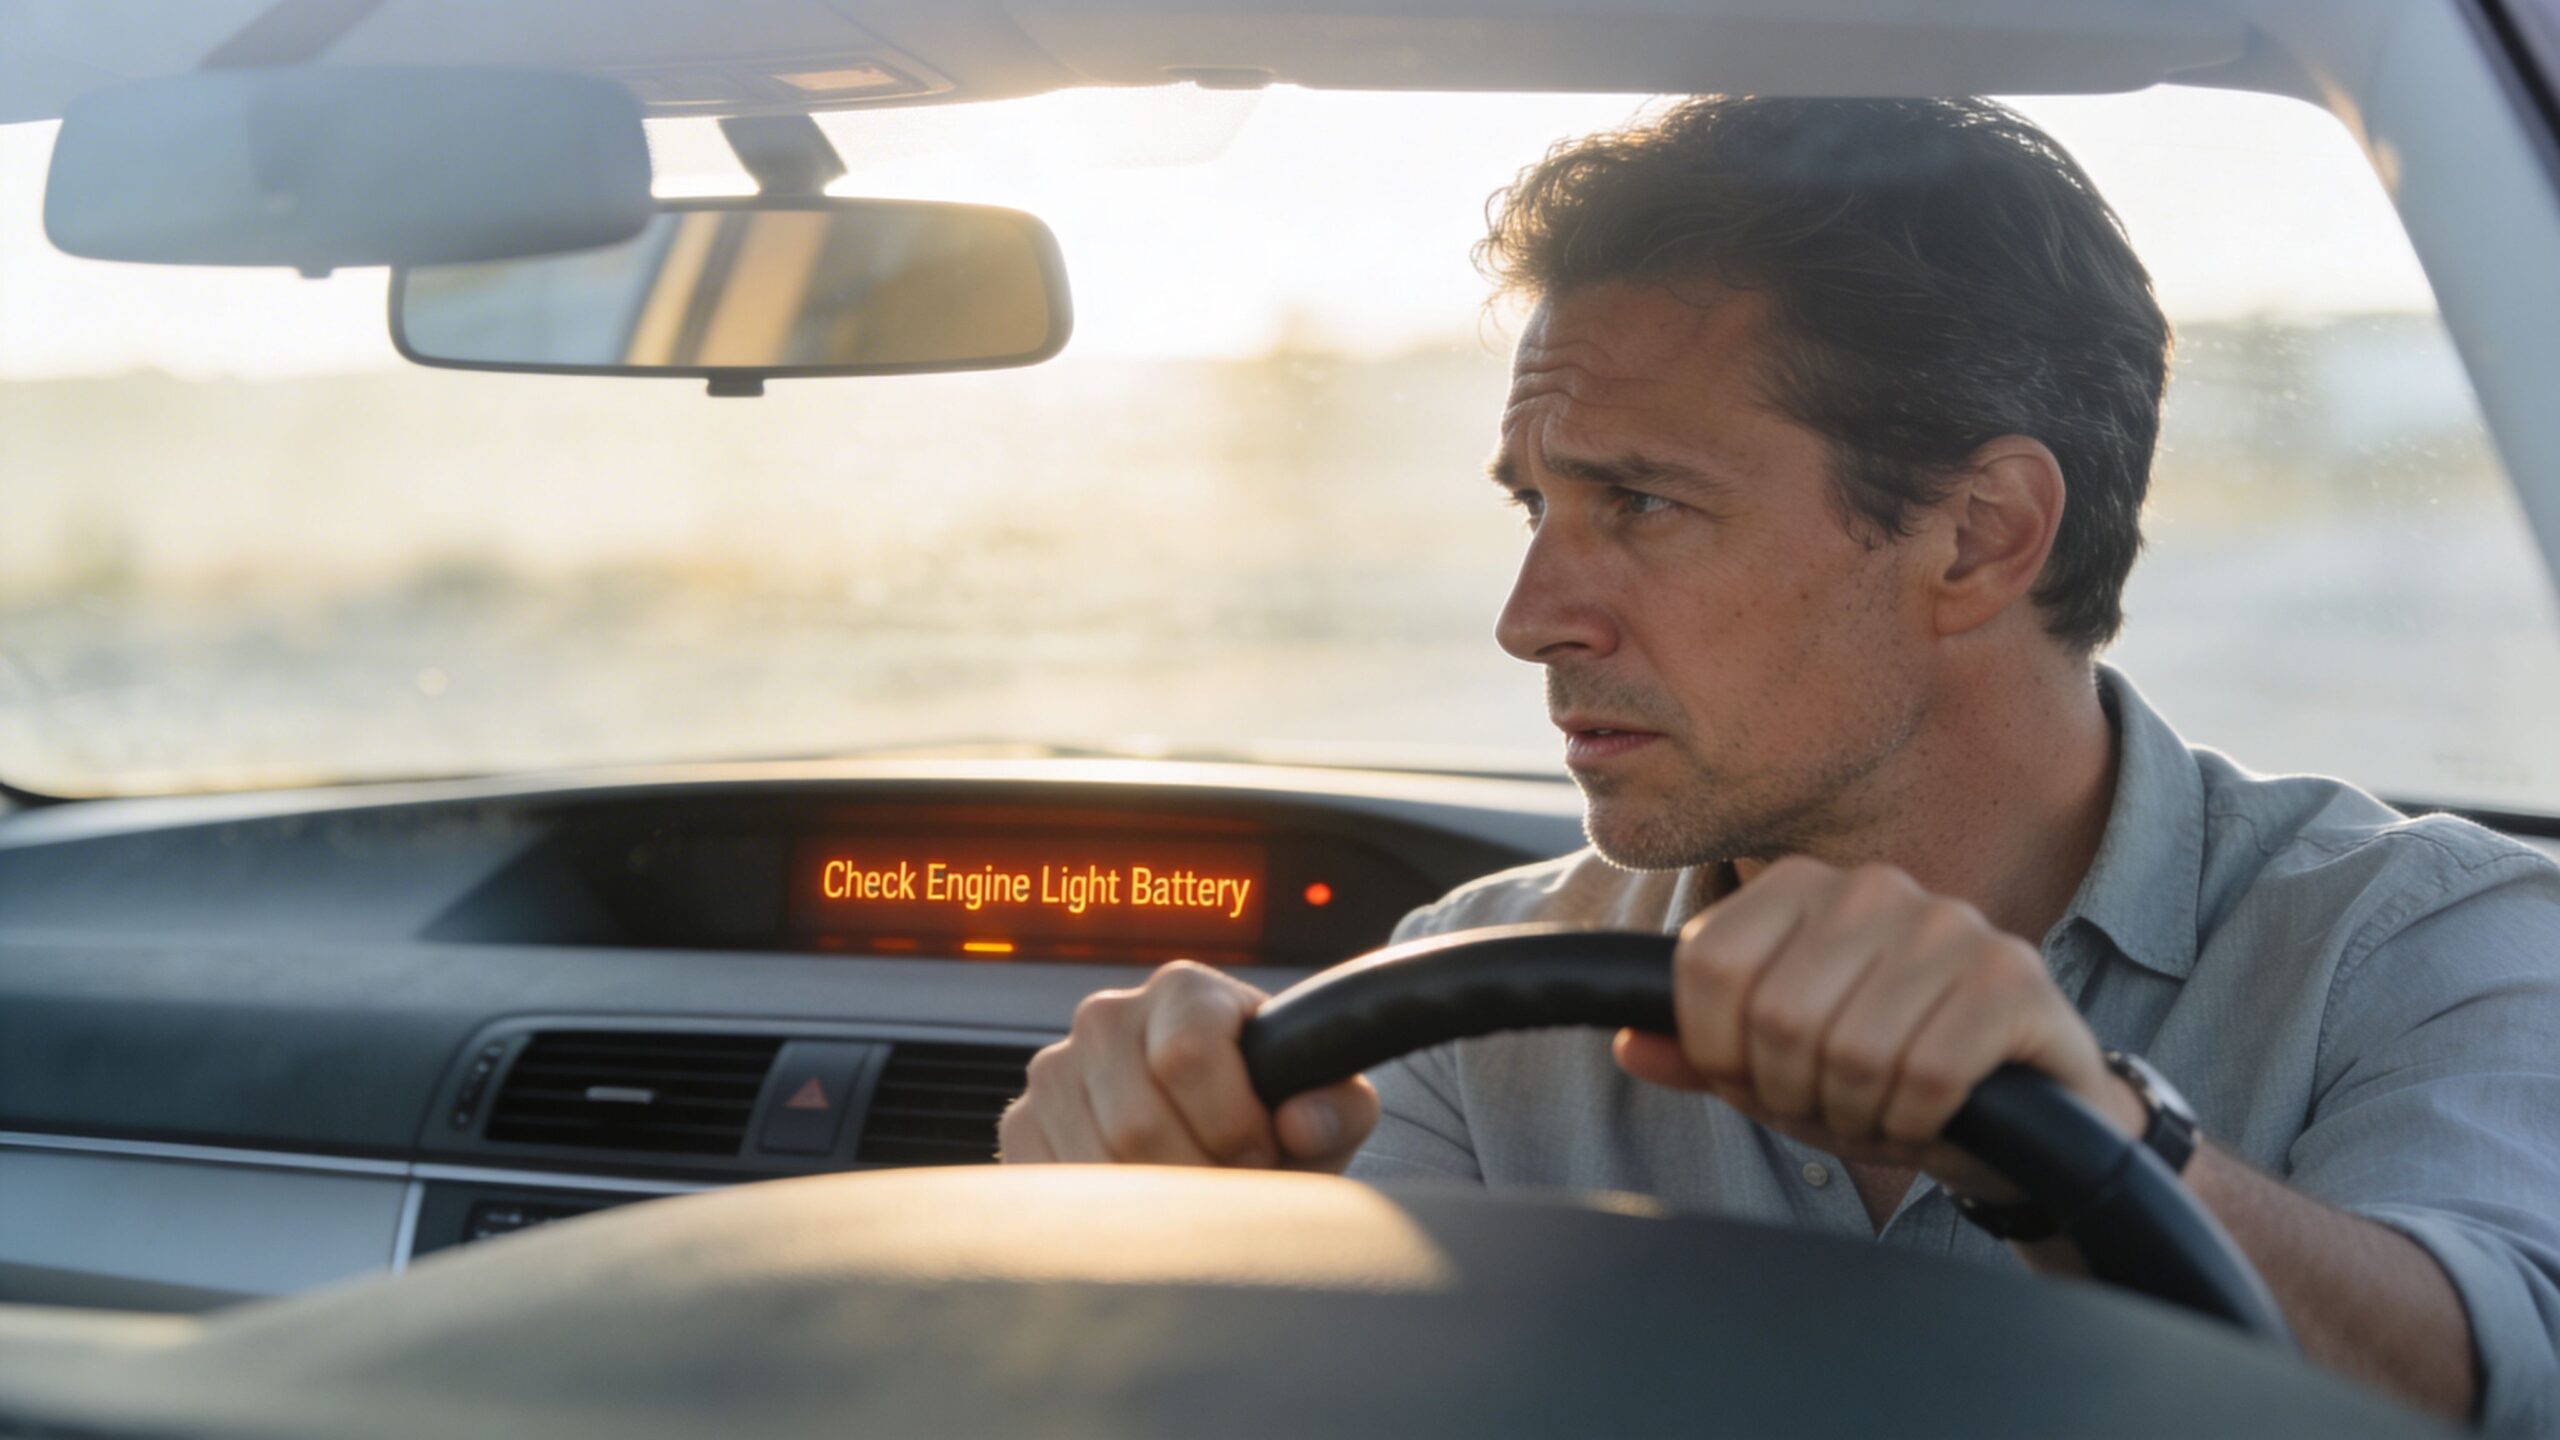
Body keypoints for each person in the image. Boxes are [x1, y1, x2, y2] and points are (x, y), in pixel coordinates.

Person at [997, 96, 2560, 1432]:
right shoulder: (1469, 993)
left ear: (1982, 535)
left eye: (1642, 506)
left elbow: (2497, 1382)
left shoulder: (2424, 938)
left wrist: (2084, 1137)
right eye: (1531, 508)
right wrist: (1157, 1243)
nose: (1529, 618)